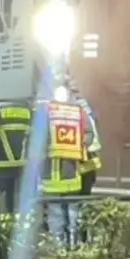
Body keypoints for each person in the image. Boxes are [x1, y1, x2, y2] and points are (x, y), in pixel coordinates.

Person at [40, 102, 85, 247]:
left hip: (53, 178)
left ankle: (59, 247)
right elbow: (89, 139)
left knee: (57, 216)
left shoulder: (44, 115)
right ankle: (73, 244)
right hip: (70, 175)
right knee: (72, 214)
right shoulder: (77, 114)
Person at [0, 98, 34, 218]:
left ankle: (3, 226)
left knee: (2, 207)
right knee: (18, 205)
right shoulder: (27, 110)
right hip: (21, 168)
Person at [77, 95, 103, 196]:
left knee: (82, 188)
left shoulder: (77, 110)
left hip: (84, 154)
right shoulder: (88, 111)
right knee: (86, 188)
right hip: (91, 154)